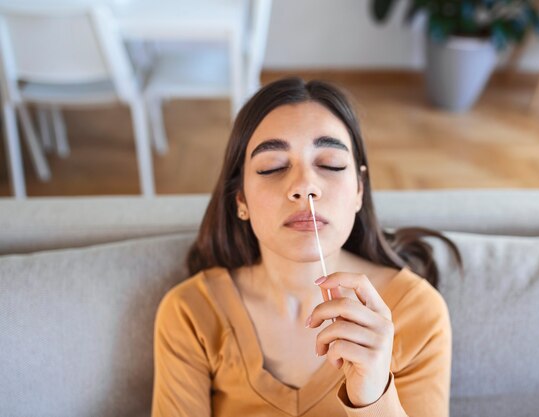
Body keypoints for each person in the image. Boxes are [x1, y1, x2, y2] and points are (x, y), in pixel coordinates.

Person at [151, 77, 463, 416]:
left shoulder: (417, 313)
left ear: (359, 189)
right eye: (273, 167)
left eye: (330, 164)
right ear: (241, 198)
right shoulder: (191, 313)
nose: (304, 186)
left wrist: (373, 396)